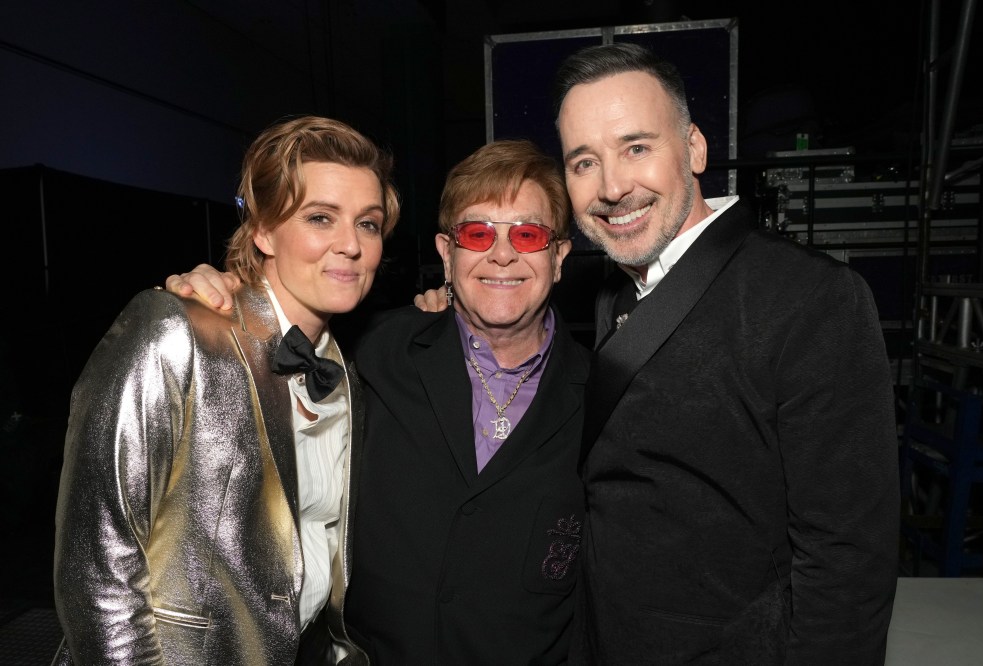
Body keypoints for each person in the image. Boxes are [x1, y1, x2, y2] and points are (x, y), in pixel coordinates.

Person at [164, 139, 590, 664]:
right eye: (477, 233)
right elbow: (281, 323)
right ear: (446, 253)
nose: (501, 254)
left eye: (527, 234)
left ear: (559, 256)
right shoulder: (372, 348)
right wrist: (227, 294)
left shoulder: (607, 395)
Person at [553, 43, 899, 664]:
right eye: (584, 162)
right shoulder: (615, 294)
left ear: (694, 149)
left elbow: (848, 557)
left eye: (637, 147)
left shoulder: (811, 297)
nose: (612, 187)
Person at [53, 115, 399, 665]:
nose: (350, 246)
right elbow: (98, 573)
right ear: (262, 230)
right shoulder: (175, 332)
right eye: (320, 218)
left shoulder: (349, 371)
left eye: (369, 224)